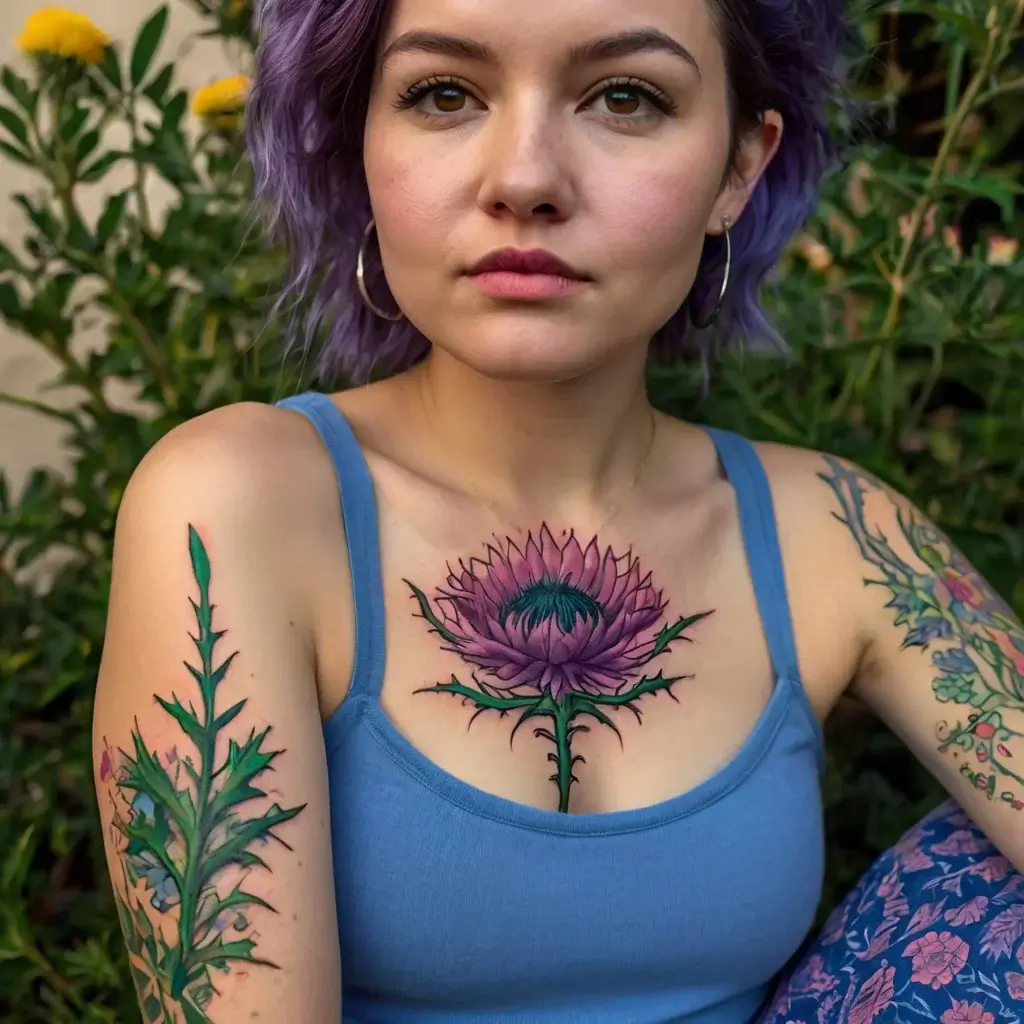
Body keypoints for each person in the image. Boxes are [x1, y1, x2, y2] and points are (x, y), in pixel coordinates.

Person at [91, 0, 1024, 1021]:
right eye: (442, 94)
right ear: (360, 143)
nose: (525, 178)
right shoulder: (240, 505)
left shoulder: (837, 535)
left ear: (737, 170)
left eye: (626, 96)